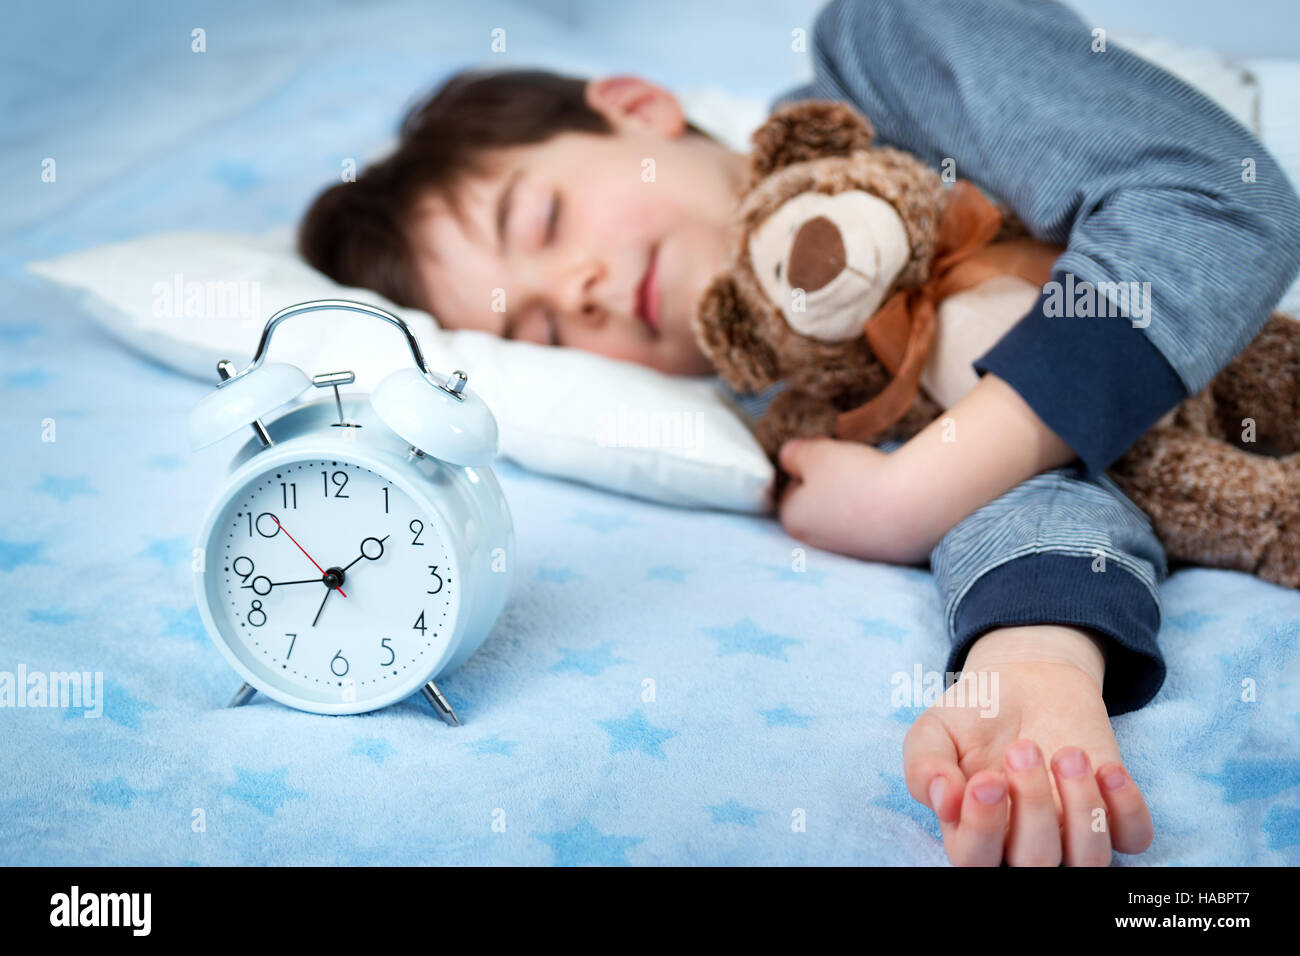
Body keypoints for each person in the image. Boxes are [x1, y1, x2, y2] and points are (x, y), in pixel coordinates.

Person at [298, 0, 1300, 865]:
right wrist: (1033, 661)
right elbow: (1028, 468)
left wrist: (909, 496)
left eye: (544, 221)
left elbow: (1212, 201)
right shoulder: (808, 403)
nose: (580, 291)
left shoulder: (887, 46)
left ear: (637, 107)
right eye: (541, 330)